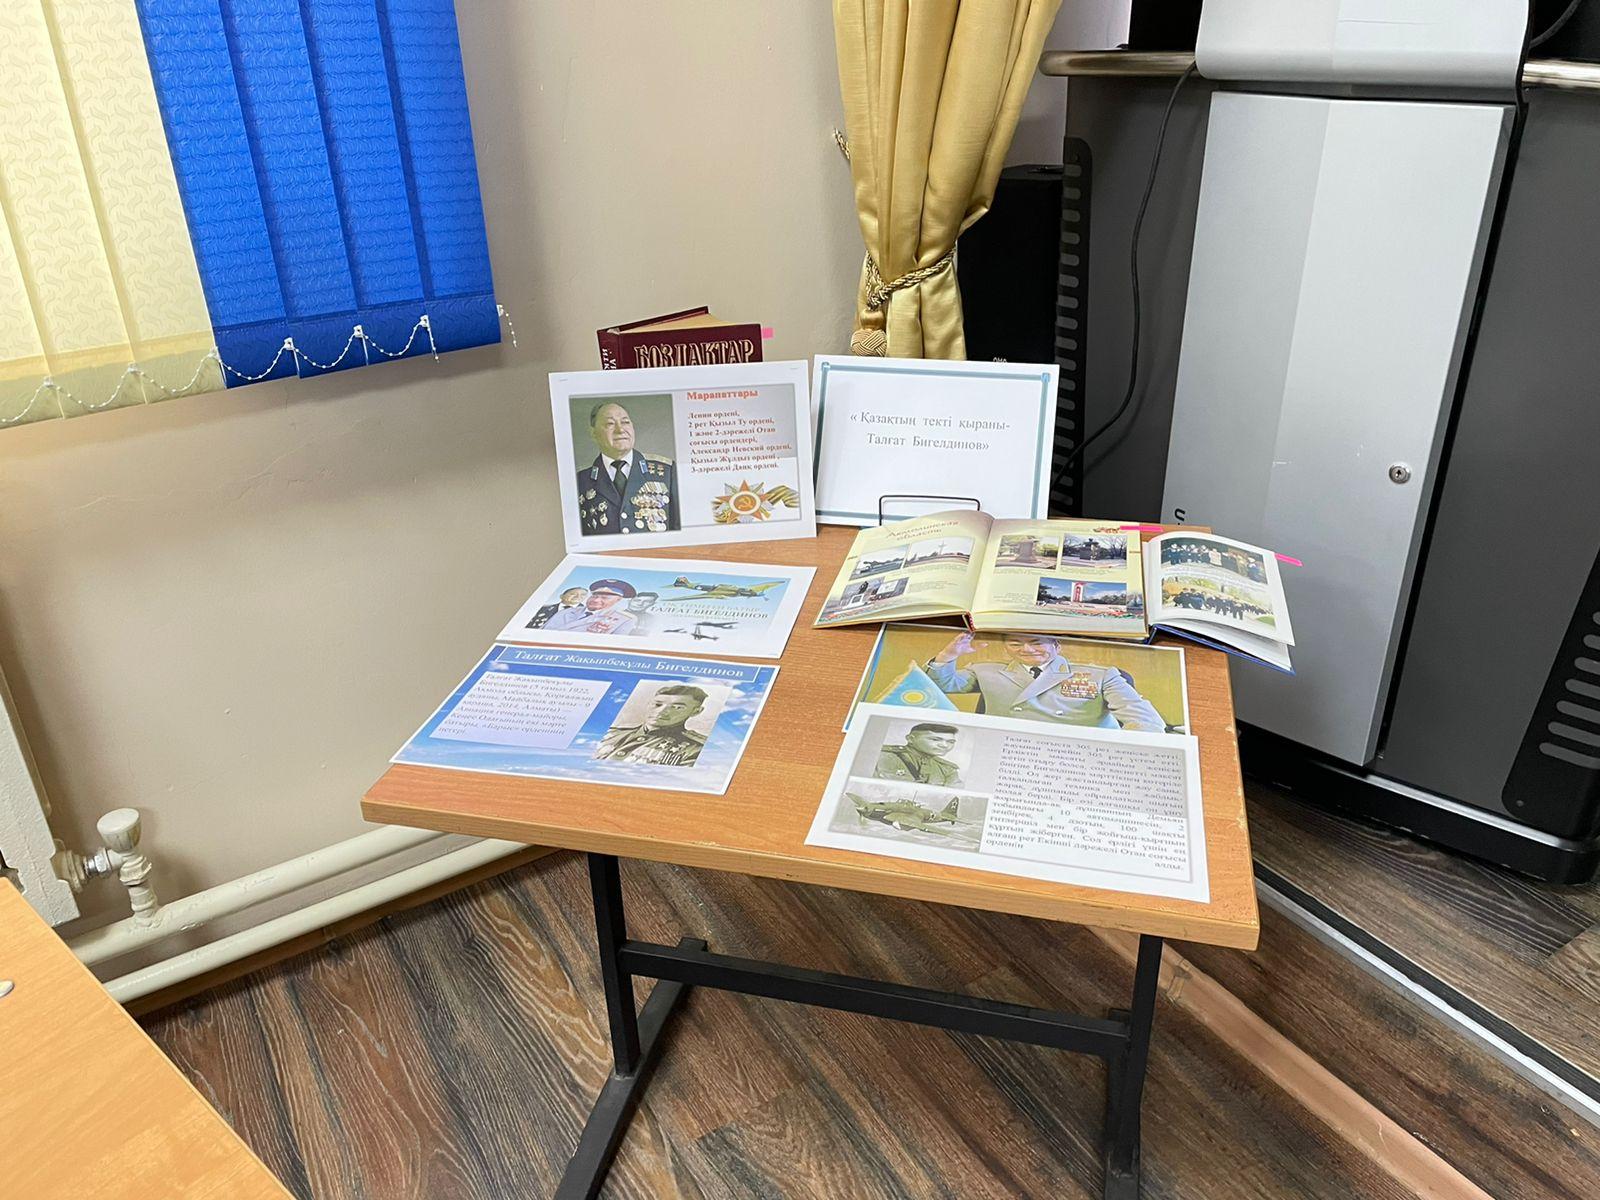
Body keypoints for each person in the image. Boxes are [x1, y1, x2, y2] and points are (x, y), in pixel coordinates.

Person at [926, 633, 1166, 731]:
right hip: (1007, 748)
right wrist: (948, 656)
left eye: (1036, 642)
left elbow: (1145, 720)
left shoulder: (1101, 675)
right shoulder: (985, 670)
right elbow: (943, 686)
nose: (1026, 650)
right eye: (1015, 644)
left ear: (1057, 646)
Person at [576, 401, 679, 536]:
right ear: (593, 433)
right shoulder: (580, 481)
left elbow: (679, 531)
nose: (620, 430)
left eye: (625, 422)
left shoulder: (667, 472)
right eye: (610, 424)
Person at [593, 684, 708, 765]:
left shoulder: (695, 749)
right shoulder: (612, 733)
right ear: (649, 704)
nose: (661, 711)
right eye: (657, 705)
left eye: (677, 707)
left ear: (696, 711)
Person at [873, 723, 963, 786]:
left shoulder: (947, 769)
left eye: (951, 742)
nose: (945, 745)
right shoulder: (882, 756)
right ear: (911, 739)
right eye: (935, 739)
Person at [544, 578, 638, 635]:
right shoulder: (566, 611)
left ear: (618, 600)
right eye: (594, 596)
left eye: (604, 598)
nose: (596, 600)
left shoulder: (624, 619)